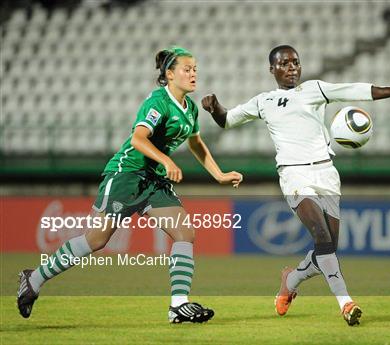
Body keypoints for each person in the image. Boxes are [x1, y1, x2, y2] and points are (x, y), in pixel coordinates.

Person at [201, 45, 390, 326]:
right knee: (322, 237)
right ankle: (346, 304)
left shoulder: (315, 89)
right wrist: (214, 108)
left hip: (326, 173)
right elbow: (227, 119)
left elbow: (357, 91)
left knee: (328, 248)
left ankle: (291, 280)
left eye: (296, 62)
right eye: (284, 63)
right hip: (294, 176)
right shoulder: (264, 101)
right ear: (272, 69)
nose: (292, 67)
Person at [17, 46, 243, 324]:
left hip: (154, 180)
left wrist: (218, 174)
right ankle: (34, 278)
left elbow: (196, 143)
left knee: (185, 233)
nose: (193, 73)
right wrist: (167, 161)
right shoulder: (158, 102)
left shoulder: (191, 109)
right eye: (187, 69)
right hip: (127, 174)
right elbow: (138, 139)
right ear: (170, 74)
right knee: (96, 240)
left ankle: (178, 305)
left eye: (195, 68)